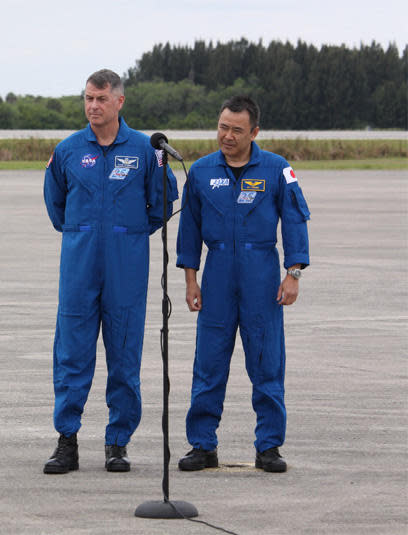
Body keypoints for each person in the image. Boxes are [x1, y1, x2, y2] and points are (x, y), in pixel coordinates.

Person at [42, 69, 178, 474]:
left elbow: (162, 203)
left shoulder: (145, 149)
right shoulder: (67, 150)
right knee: (71, 356)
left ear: (119, 101)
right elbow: (56, 206)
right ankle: (67, 441)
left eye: (101, 99)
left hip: (126, 268)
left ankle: (117, 443)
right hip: (79, 267)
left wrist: (128, 234)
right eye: (88, 98)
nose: (93, 106)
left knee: (124, 355)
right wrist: (84, 233)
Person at [175, 95, 310, 473]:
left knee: (267, 362)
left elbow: (295, 221)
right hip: (216, 275)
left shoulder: (277, 169)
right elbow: (189, 232)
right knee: (209, 363)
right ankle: (203, 445)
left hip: (261, 275)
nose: (227, 135)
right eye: (222, 127)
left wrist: (293, 273)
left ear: (254, 132)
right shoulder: (201, 172)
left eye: (236, 129)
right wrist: (191, 280)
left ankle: (269, 447)